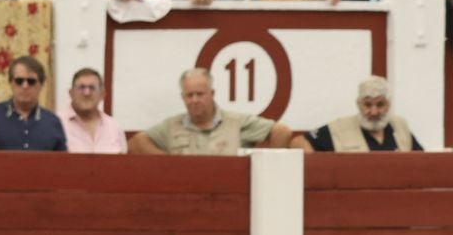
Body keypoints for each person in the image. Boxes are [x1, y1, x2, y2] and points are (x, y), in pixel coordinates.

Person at [130, 68, 293, 155]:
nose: (194, 100)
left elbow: (281, 132)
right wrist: (167, 164)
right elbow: (136, 143)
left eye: (200, 94)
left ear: (212, 94)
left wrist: (260, 168)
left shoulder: (236, 122)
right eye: (189, 95)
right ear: (183, 97)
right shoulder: (172, 125)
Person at [298, 76, 425, 152]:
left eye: (380, 105)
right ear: (358, 104)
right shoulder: (340, 127)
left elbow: (421, 161)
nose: (374, 112)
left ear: (388, 105)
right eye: (368, 105)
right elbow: (298, 142)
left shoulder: (400, 126)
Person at [0, 55, 66, 150]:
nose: (25, 86)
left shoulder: (53, 122)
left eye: (31, 81)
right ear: (11, 83)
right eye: (19, 81)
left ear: (41, 85)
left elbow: (63, 163)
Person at [58, 67, 126, 153]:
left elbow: (122, 162)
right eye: (81, 87)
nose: (87, 93)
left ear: (102, 94)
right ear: (71, 93)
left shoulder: (114, 126)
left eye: (92, 88)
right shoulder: (57, 123)